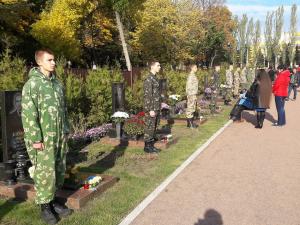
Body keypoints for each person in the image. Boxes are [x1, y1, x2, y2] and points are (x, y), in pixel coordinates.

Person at [21, 49, 72, 224]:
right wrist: (36, 139)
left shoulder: (57, 84)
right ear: (39, 63)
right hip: (43, 138)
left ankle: (54, 200)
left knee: (58, 169)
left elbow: (63, 110)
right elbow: (28, 114)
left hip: (58, 136)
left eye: (54, 60)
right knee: (44, 172)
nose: (53, 63)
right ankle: (44, 206)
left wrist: (65, 129)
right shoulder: (32, 85)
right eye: (49, 60)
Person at [143, 61, 161, 153]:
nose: (160, 67)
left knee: (154, 126)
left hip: (156, 107)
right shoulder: (149, 79)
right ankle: (147, 147)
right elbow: (148, 96)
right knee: (149, 126)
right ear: (152, 66)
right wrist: (150, 109)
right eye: (158, 65)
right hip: (151, 108)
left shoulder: (155, 78)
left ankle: (151, 145)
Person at [186, 64, 199, 128]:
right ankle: (190, 124)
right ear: (192, 68)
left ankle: (190, 123)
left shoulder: (193, 75)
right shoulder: (191, 76)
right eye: (195, 67)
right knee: (190, 108)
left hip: (193, 94)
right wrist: (190, 95)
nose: (197, 68)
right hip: (191, 94)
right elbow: (188, 86)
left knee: (192, 108)